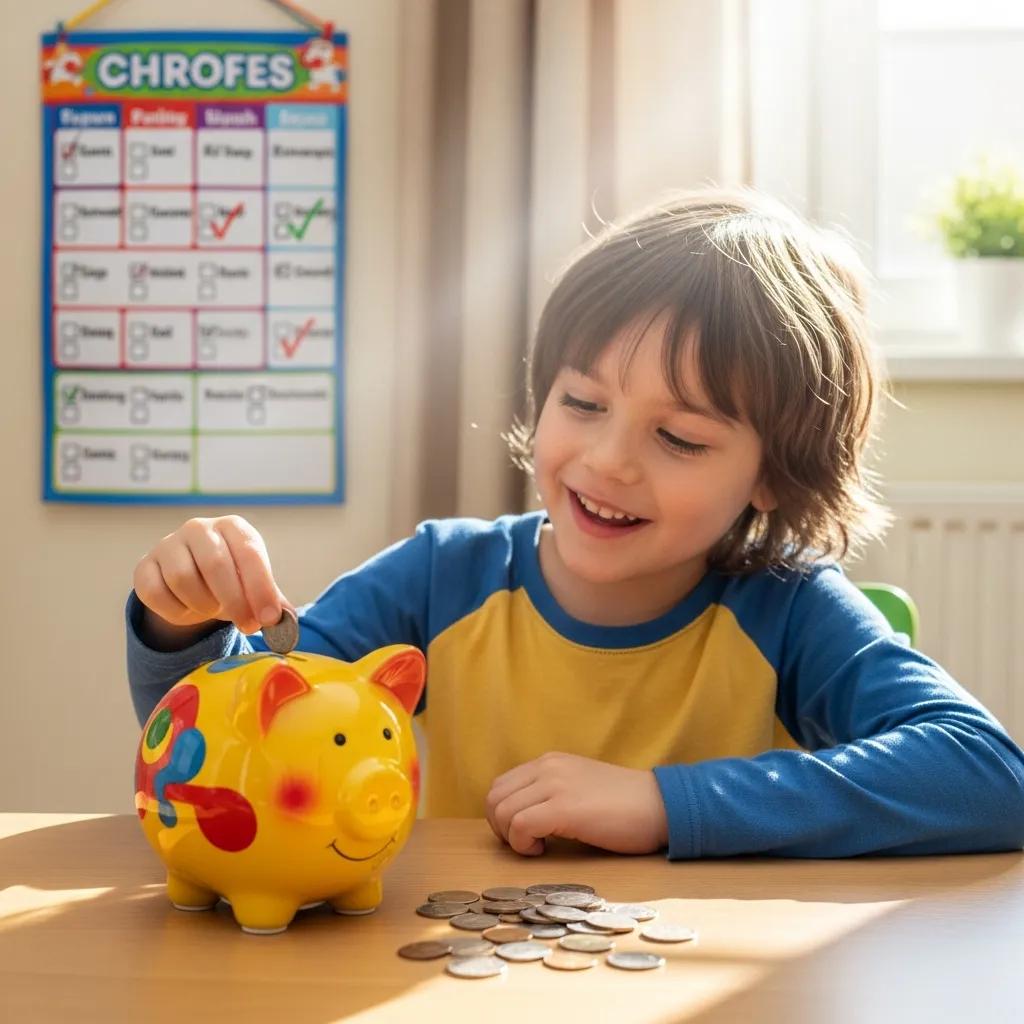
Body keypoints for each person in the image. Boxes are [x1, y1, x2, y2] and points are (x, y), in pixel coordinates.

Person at [126, 187, 1024, 860]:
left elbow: (990, 777)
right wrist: (180, 625)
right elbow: (226, 749)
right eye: (583, 402)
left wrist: (664, 805)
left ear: (771, 477)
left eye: (679, 437)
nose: (609, 461)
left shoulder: (790, 611)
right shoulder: (441, 579)